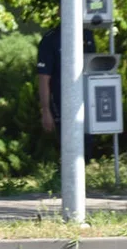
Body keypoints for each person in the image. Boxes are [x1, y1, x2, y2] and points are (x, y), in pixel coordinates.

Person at [36, 23, 96, 153]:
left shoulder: (86, 35)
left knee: (88, 144)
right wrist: (45, 111)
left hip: (87, 101)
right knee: (69, 146)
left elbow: (92, 69)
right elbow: (43, 78)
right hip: (62, 101)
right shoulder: (51, 39)